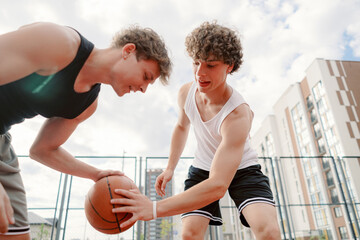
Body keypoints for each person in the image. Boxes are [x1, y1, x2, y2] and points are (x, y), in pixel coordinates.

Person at [0, 22, 172, 239]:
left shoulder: (86, 105)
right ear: (128, 51)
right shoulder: (61, 43)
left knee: (13, 234)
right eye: (146, 76)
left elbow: (43, 150)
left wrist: (95, 174)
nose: (143, 89)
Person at [112, 21, 281, 239]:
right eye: (196, 63)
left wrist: (154, 209)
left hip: (242, 170)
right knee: (189, 234)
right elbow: (182, 126)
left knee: (268, 231)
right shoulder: (186, 93)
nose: (199, 73)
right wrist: (170, 167)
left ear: (229, 66)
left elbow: (218, 185)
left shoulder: (238, 115)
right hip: (203, 167)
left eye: (210, 65)